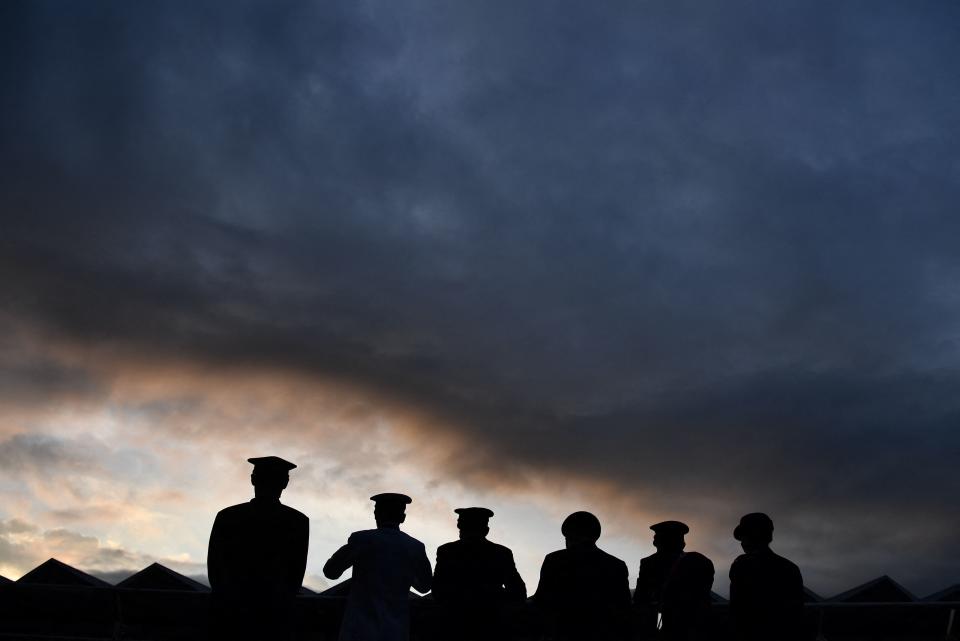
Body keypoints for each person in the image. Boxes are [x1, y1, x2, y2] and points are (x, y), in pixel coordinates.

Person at [207, 456, 309, 641]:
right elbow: (296, 572)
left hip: (231, 611)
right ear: (285, 483)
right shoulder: (298, 521)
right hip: (274, 613)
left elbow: (214, 567)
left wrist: (225, 599)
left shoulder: (227, 516)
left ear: (253, 479)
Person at [323, 493, 432, 641]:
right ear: (402, 518)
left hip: (357, 630)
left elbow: (330, 572)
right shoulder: (415, 547)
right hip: (396, 632)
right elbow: (424, 587)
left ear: (377, 514)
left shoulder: (361, 539)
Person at [534, 511, 631, 641]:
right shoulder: (617, 565)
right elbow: (624, 607)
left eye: (567, 537)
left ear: (570, 536)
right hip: (603, 633)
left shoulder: (555, 559)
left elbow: (542, 599)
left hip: (563, 631)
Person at [432, 507, 527, 640]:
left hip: (454, 622)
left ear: (461, 526)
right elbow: (518, 591)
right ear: (486, 530)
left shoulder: (446, 550)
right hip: (491, 623)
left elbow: (437, 589)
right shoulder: (502, 553)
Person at [729, 513, 805, 641]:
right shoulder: (790, 567)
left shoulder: (742, 565)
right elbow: (796, 613)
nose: (741, 543)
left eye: (743, 537)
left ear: (751, 536)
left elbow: (737, 611)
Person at [634, 521, 714, 640]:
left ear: (657, 542)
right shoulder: (700, 561)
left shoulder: (648, 563)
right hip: (694, 624)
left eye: (656, 537)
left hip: (662, 623)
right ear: (681, 542)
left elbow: (641, 597)